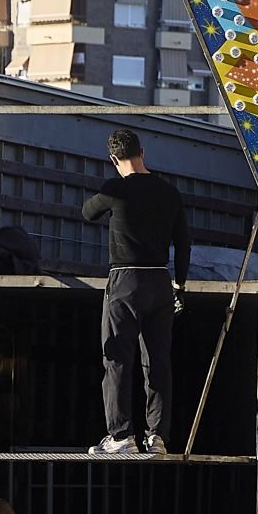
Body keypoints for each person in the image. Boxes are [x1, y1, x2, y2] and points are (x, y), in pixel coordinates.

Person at [81, 129, 191, 454]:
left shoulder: (116, 189)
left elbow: (87, 213)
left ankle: (120, 436)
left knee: (117, 358)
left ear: (114, 160)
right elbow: (183, 242)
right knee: (158, 360)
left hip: (124, 280)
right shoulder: (169, 192)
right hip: (160, 280)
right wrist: (179, 285)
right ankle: (156, 436)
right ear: (143, 152)